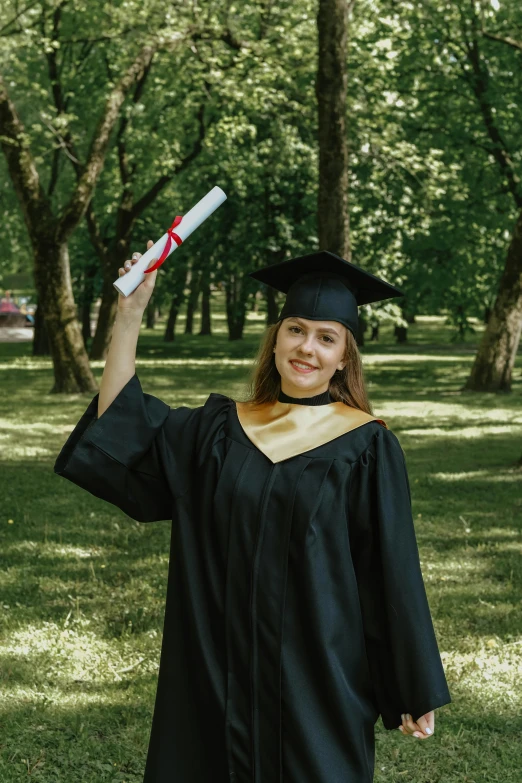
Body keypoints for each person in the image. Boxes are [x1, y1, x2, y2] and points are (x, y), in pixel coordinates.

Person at [54, 245, 452, 783]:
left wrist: (412, 684)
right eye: (295, 329)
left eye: (325, 337)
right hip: (217, 673)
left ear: (344, 359)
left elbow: (391, 569)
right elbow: (123, 424)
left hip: (316, 682)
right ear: (276, 339)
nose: (306, 347)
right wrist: (130, 317)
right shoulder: (220, 431)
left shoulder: (364, 447)